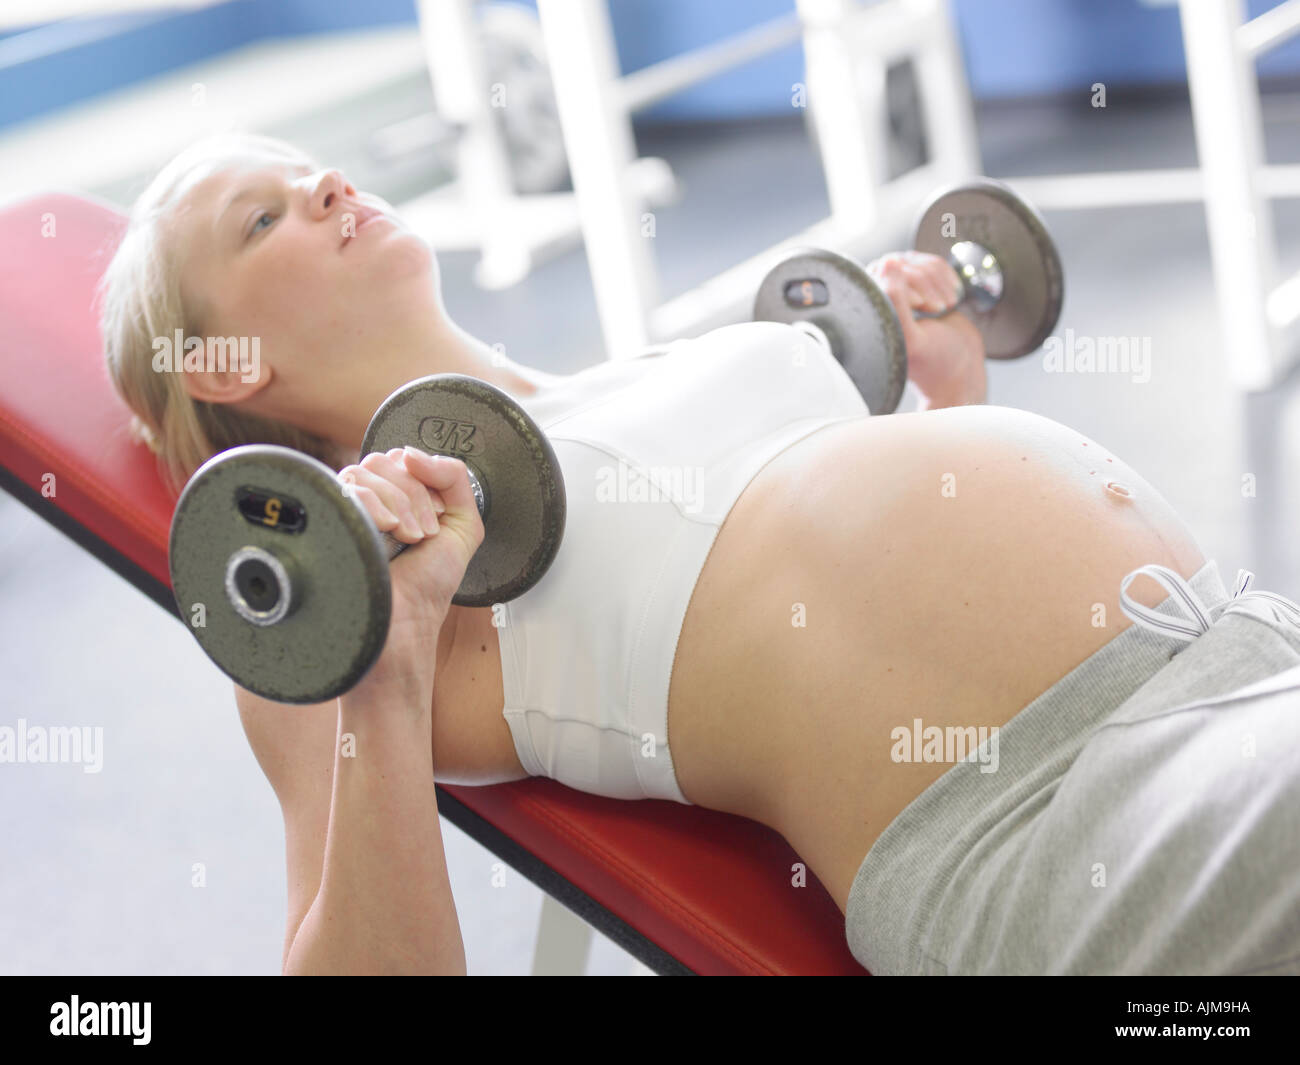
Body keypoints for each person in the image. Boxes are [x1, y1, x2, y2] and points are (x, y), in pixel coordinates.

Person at [100, 132, 1300, 975]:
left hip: (1232, 668)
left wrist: (944, 399)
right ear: (225, 367)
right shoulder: (354, 600)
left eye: (310, 171)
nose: (326, 186)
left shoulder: (635, 370)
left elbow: (844, 569)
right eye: (263, 217)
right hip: (1065, 823)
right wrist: (389, 658)